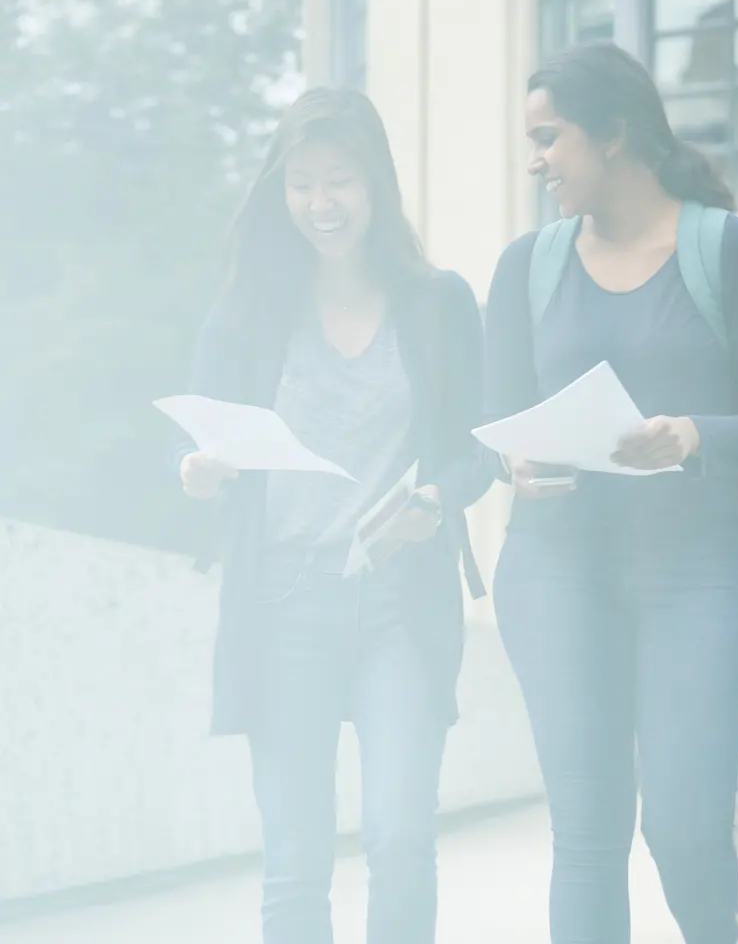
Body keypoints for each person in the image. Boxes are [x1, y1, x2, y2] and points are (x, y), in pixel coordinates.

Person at [482, 41, 738, 944]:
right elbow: (491, 426)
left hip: (699, 571)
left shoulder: (730, 251)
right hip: (557, 571)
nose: (535, 159)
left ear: (615, 133)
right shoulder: (525, 267)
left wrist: (695, 435)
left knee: (683, 827)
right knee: (586, 837)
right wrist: (515, 463)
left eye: (550, 137)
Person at [174, 87, 487, 944]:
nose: (321, 203)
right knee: (296, 864)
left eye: (340, 180)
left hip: (397, 603)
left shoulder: (436, 303)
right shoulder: (247, 312)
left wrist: (437, 497)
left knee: (401, 836)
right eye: (302, 183)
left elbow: (477, 450)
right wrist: (204, 475)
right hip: (282, 604)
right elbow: (204, 442)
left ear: (376, 183)